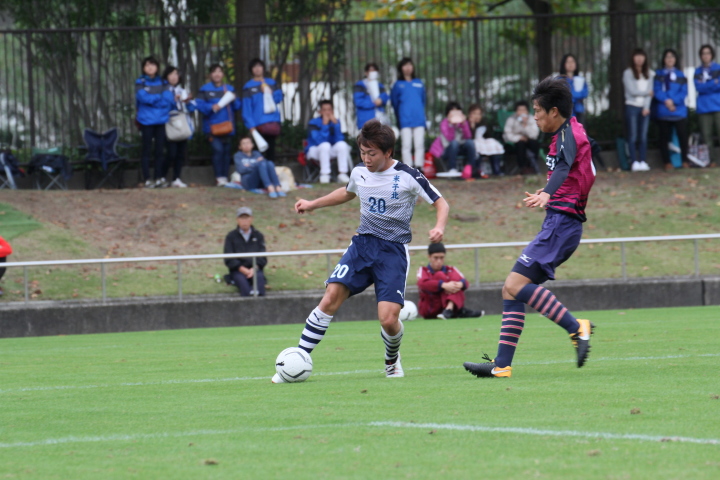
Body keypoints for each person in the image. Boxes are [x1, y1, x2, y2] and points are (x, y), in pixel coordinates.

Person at [273, 119, 449, 383]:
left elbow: (441, 202)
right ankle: (297, 359)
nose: (366, 159)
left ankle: (392, 359)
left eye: (372, 153)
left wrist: (439, 227)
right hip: (362, 246)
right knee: (331, 297)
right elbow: (347, 193)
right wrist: (313, 204)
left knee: (389, 320)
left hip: (392, 252)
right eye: (362, 152)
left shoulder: (408, 176)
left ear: (388, 152)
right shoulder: (359, 172)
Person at [464, 77, 596, 379]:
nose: (534, 116)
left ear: (553, 111)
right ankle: (501, 365)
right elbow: (574, 170)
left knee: (513, 285)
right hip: (559, 223)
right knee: (511, 290)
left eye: (537, 111)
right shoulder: (570, 131)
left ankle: (578, 328)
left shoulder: (567, 134)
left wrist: (548, 193)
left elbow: (563, 167)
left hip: (562, 224)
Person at [192, 64, 242, 186]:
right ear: (210, 75)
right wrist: (211, 107)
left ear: (223, 74)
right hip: (212, 127)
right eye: (214, 72)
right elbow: (199, 106)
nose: (217, 74)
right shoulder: (204, 89)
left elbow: (237, 107)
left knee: (226, 152)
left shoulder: (229, 88)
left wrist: (234, 99)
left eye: (220, 71)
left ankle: (224, 177)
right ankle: (219, 177)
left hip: (227, 127)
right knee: (217, 150)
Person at [417, 242, 484, 320]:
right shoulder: (423, 270)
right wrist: (442, 285)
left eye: (441, 258)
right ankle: (459, 311)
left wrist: (460, 284)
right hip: (431, 309)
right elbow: (422, 284)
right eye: (436, 258)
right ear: (429, 257)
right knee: (440, 275)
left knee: (456, 281)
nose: (439, 261)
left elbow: (465, 282)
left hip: (446, 307)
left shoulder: (451, 269)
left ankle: (449, 308)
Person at [135, 56, 174, 188]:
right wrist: (158, 97)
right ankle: (147, 178)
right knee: (146, 150)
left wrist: (152, 99)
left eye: (152, 64)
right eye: (146, 65)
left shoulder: (164, 82)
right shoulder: (140, 82)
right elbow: (142, 98)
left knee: (159, 150)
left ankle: (159, 177)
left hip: (161, 120)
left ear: (157, 67)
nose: (150, 67)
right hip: (146, 121)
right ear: (143, 68)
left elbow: (168, 99)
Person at [653, 48, 689, 171]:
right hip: (663, 109)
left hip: (678, 110)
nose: (669, 59)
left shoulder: (681, 75)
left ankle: (685, 160)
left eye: (672, 57)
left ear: (675, 59)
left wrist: (673, 102)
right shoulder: (658, 75)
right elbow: (656, 91)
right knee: (663, 137)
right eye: (667, 57)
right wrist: (667, 101)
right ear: (664, 59)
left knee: (683, 135)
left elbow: (684, 92)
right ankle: (666, 162)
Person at [242, 58, 283, 162]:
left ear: (264, 68)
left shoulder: (272, 83)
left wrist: (270, 92)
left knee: (271, 152)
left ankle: (270, 175)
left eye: (259, 66)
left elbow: (278, 99)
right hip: (257, 125)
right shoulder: (248, 87)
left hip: (271, 122)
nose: (257, 69)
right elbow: (246, 108)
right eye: (254, 66)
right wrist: (250, 126)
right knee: (258, 153)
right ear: (251, 70)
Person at [391, 57, 427, 169]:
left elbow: (423, 100)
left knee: (419, 144)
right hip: (405, 119)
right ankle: (408, 168)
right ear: (401, 68)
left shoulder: (419, 83)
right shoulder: (398, 85)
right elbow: (394, 102)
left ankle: (419, 167)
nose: (408, 67)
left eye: (410, 65)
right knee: (406, 145)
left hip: (419, 118)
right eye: (405, 65)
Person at [224, 207, 268, 297]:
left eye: (247, 218)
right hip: (237, 270)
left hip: (255, 269)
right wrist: (242, 269)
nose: (244, 221)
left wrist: (254, 268)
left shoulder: (258, 235)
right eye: (242, 218)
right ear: (237, 220)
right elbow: (228, 258)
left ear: (251, 219)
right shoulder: (231, 236)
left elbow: (263, 257)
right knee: (244, 289)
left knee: (259, 285)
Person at [306, 100, 351, 184]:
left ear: (332, 111)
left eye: (329, 109)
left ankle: (342, 173)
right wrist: (325, 125)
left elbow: (339, 139)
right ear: (319, 111)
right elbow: (318, 141)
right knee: (325, 145)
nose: (327, 112)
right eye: (324, 110)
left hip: (329, 151)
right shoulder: (313, 123)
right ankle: (324, 174)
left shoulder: (335, 122)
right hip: (315, 151)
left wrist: (336, 125)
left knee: (342, 144)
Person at [623, 48, 654, 172]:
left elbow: (651, 94)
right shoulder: (628, 73)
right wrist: (646, 92)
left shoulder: (650, 73)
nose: (639, 58)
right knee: (633, 136)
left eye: (642, 56)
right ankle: (634, 161)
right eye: (637, 56)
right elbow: (632, 91)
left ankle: (642, 161)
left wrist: (646, 107)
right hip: (632, 106)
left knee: (643, 136)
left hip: (644, 109)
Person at [162, 66, 192, 187]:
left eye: (176, 74)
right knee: (171, 153)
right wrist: (173, 101)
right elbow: (162, 105)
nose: (174, 77)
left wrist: (188, 102)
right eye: (171, 74)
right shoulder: (163, 90)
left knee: (181, 152)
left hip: (182, 121)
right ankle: (162, 177)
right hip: (169, 123)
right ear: (166, 76)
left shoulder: (182, 90)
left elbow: (190, 108)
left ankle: (177, 178)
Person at [429, 102, 476, 175]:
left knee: (470, 142)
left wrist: (463, 124)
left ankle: (471, 168)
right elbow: (450, 139)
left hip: (460, 148)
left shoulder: (463, 123)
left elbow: (468, 136)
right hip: (447, 150)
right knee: (454, 143)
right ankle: (452, 168)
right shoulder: (444, 123)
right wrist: (451, 124)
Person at [694, 44, 720, 166]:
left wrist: (707, 85)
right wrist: (713, 84)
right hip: (704, 107)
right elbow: (698, 87)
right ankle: (713, 160)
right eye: (703, 53)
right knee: (707, 136)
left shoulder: (718, 68)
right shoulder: (697, 71)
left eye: (708, 53)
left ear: (712, 55)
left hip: (717, 105)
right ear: (700, 56)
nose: (706, 55)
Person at [503, 100, 540, 174]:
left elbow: (534, 134)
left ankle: (531, 166)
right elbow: (507, 134)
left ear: (527, 111)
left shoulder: (531, 119)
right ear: (516, 111)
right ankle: (523, 168)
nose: (522, 112)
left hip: (529, 139)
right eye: (519, 110)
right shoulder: (511, 119)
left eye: (524, 110)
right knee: (520, 144)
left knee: (534, 143)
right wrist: (519, 138)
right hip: (516, 141)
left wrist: (525, 125)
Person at [468, 104, 505, 177]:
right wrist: (472, 126)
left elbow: (488, 135)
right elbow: (469, 137)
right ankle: (477, 171)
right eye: (474, 113)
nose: (477, 116)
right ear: (470, 114)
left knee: (493, 144)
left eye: (479, 114)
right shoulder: (466, 123)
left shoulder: (484, 123)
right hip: (473, 143)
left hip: (485, 143)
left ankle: (496, 170)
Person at [353, 63, 390, 130]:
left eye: (375, 70)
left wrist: (381, 100)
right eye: (371, 70)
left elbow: (385, 96)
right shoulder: (360, 85)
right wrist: (374, 103)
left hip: (380, 118)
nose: (373, 72)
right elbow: (358, 101)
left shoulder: (380, 85)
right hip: (365, 119)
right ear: (366, 73)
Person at [559, 53, 589, 124]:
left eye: (572, 61)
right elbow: (565, 95)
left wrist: (573, 95)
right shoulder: (560, 80)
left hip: (579, 112)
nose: (570, 64)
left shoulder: (580, 79)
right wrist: (577, 95)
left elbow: (585, 93)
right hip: (565, 113)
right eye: (568, 62)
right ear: (564, 64)